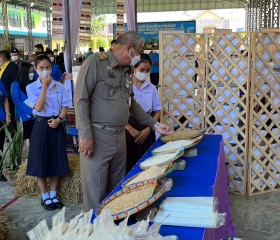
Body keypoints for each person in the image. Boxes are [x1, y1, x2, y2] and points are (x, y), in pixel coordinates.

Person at [75, 31, 173, 211]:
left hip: (119, 139)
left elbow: (132, 104)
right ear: (129, 49)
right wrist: (85, 135)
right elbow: (81, 100)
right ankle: (94, 230)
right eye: (138, 52)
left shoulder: (125, 71)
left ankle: (112, 230)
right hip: (98, 137)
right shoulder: (96, 63)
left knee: (116, 191)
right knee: (96, 194)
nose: (138, 57)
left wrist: (155, 124)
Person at [26, 54, 70, 211]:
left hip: (56, 124)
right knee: (40, 160)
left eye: (47, 68)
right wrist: (44, 87)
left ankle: (53, 194)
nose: (45, 71)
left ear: (52, 69)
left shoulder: (60, 86)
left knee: (56, 159)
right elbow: (37, 108)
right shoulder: (31, 88)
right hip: (41, 125)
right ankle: (44, 196)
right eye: (41, 68)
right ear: (36, 69)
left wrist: (59, 119)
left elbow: (65, 106)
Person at [125, 53, 161, 173]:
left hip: (147, 127)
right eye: (142, 70)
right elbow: (116, 113)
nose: (144, 73)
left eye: (147, 70)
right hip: (128, 127)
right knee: (129, 163)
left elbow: (157, 111)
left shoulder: (151, 88)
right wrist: (130, 129)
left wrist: (149, 129)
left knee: (147, 164)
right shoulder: (125, 86)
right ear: (134, 68)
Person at [11, 62, 35, 140]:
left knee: (34, 140)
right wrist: (31, 112)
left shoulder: (34, 84)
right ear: (25, 73)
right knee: (21, 140)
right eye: (30, 72)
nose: (32, 74)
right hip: (22, 117)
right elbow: (17, 102)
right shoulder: (15, 85)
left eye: (33, 72)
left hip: (35, 116)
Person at [0, 50, 19, 126]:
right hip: (2, 98)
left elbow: (14, 82)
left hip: (9, 98)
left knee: (10, 122)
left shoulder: (13, 67)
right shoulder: (2, 67)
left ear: (2, 58)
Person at [0, 81, 11, 181]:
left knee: (0, 146)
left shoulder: (0, 83)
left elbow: (5, 99)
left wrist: (7, 114)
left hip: (0, 119)